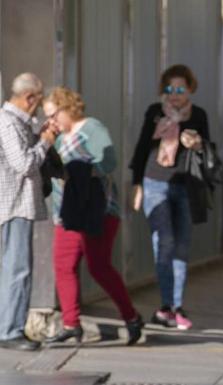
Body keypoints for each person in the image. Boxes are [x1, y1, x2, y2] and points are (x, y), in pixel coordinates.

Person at [41, 87, 143, 345]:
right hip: (66, 211)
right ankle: (70, 324)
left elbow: (108, 163)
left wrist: (78, 170)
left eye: (53, 115)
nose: (51, 121)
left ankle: (131, 317)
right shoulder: (59, 138)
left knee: (99, 266)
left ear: (67, 109)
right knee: (64, 265)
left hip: (97, 209)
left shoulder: (91, 128)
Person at [130, 64, 210, 330]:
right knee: (163, 243)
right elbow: (143, 146)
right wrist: (137, 183)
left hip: (185, 186)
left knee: (182, 247)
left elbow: (208, 151)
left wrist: (197, 144)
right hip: (155, 182)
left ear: (190, 89)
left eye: (179, 89)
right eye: (169, 89)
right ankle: (165, 305)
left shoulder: (198, 115)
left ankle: (176, 307)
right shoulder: (155, 113)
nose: (174, 94)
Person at [0, 73, 58, 351]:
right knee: (18, 269)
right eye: (37, 99)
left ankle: (8, 326)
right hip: (14, 205)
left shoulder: (16, 123)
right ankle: (10, 330)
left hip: (17, 205)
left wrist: (39, 136)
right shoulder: (8, 122)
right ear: (29, 98)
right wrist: (45, 142)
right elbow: (23, 163)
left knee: (14, 268)